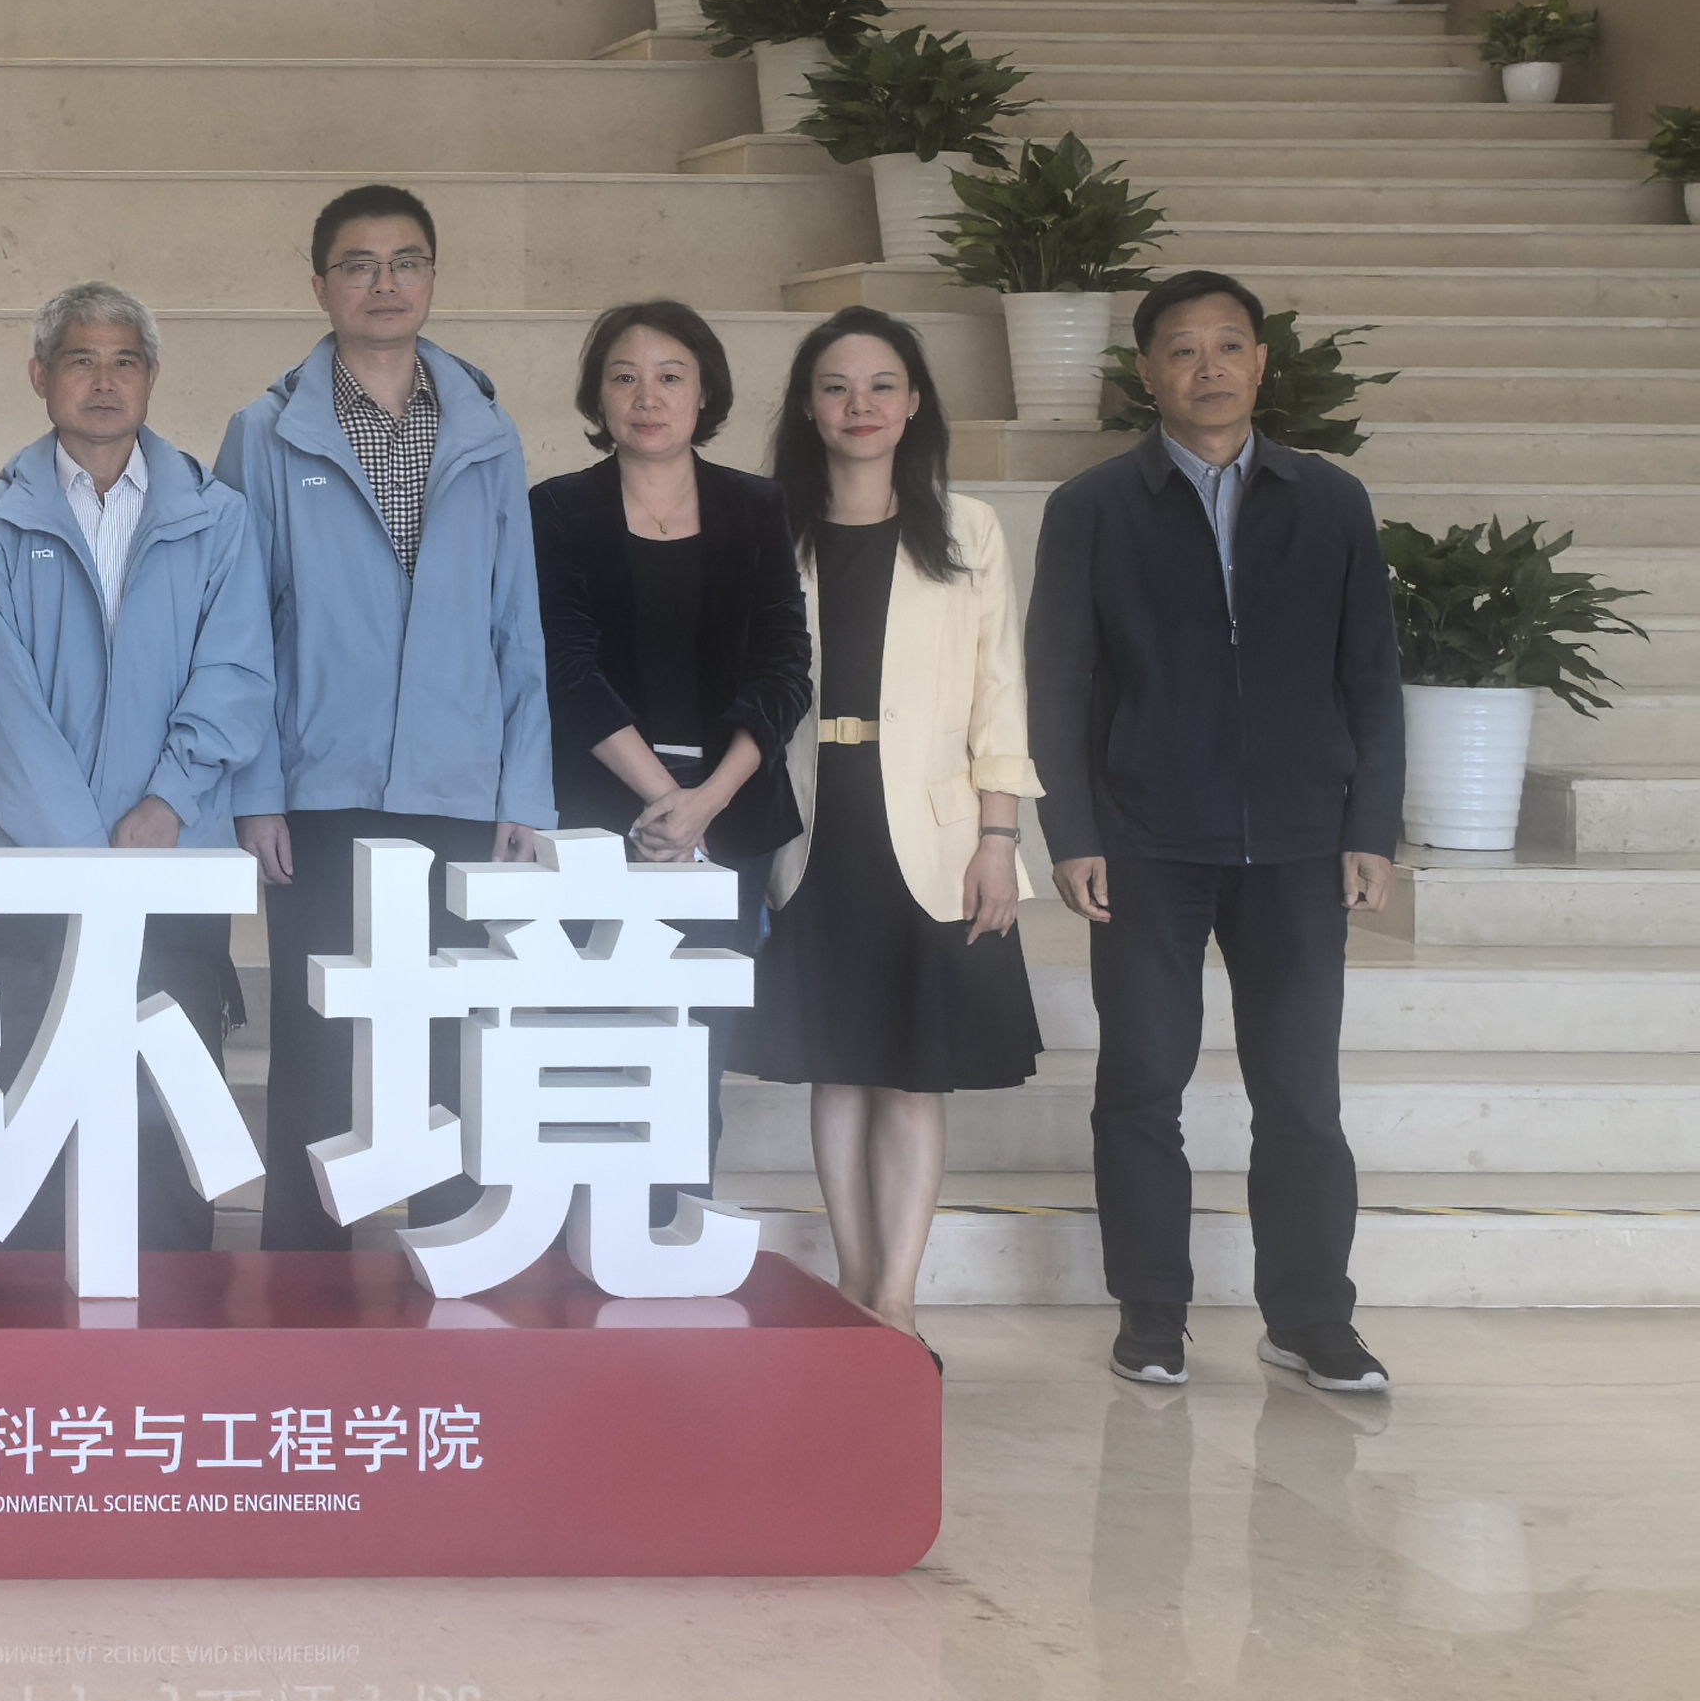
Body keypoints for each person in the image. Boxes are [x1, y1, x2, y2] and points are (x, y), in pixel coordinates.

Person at [1029, 270, 1404, 1396]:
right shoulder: (1093, 507)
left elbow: (1370, 675)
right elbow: (1056, 683)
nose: (1209, 368)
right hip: (1145, 837)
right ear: (1147, 372)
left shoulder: (1329, 500)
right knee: (1141, 1083)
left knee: (1301, 1094)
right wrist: (1071, 830)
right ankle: (1152, 1314)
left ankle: (1312, 1318)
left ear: (1260, 362)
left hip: (1299, 840)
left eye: (1229, 345)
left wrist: (1371, 825)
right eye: (1183, 349)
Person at [219, 186, 554, 1241]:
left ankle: (447, 1258)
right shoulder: (265, 432)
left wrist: (523, 790)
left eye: (406, 262)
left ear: (432, 278)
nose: (384, 283)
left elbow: (516, 621)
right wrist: (256, 790)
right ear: (319, 283)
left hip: (457, 782)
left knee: (451, 1038)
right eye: (358, 265)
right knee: (318, 1041)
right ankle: (304, 1273)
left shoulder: (486, 430)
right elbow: (238, 628)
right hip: (319, 785)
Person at [737, 308, 1039, 1357]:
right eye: (835, 387)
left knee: (913, 1073)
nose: (858, 406)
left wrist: (999, 837)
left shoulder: (969, 529)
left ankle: (897, 1301)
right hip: (813, 824)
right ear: (807, 408)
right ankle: (851, 1286)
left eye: (880, 386)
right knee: (839, 1068)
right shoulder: (770, 527)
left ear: (914, 403)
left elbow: (1001, 695)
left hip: (935, 832)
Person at [0, 284, 273, 1252]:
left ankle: (174, 1316)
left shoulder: (217, 517)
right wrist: (84, 855)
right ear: (40, 376)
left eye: (124, 361)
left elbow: (235, 673)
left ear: (151, 377)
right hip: (38, 867)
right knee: (30, 1095)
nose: (104, 381)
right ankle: (25, 1321)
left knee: (167, 1111)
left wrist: (167, 802)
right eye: (81, 360)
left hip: (172, 856)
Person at [530, 300, 812, 1215]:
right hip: (599, 811)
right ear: (598, 397)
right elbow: (564, 667)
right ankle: (581, 1237)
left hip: (731, 817)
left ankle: (671, 1237)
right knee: (593, 1034)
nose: (646, 397)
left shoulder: (757, 506)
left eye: (669, 377)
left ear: (704, 394)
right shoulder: (558, 508)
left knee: (695, 1047)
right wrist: (665, 802)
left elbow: (786, 666)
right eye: (624, 377)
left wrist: (707, 803)